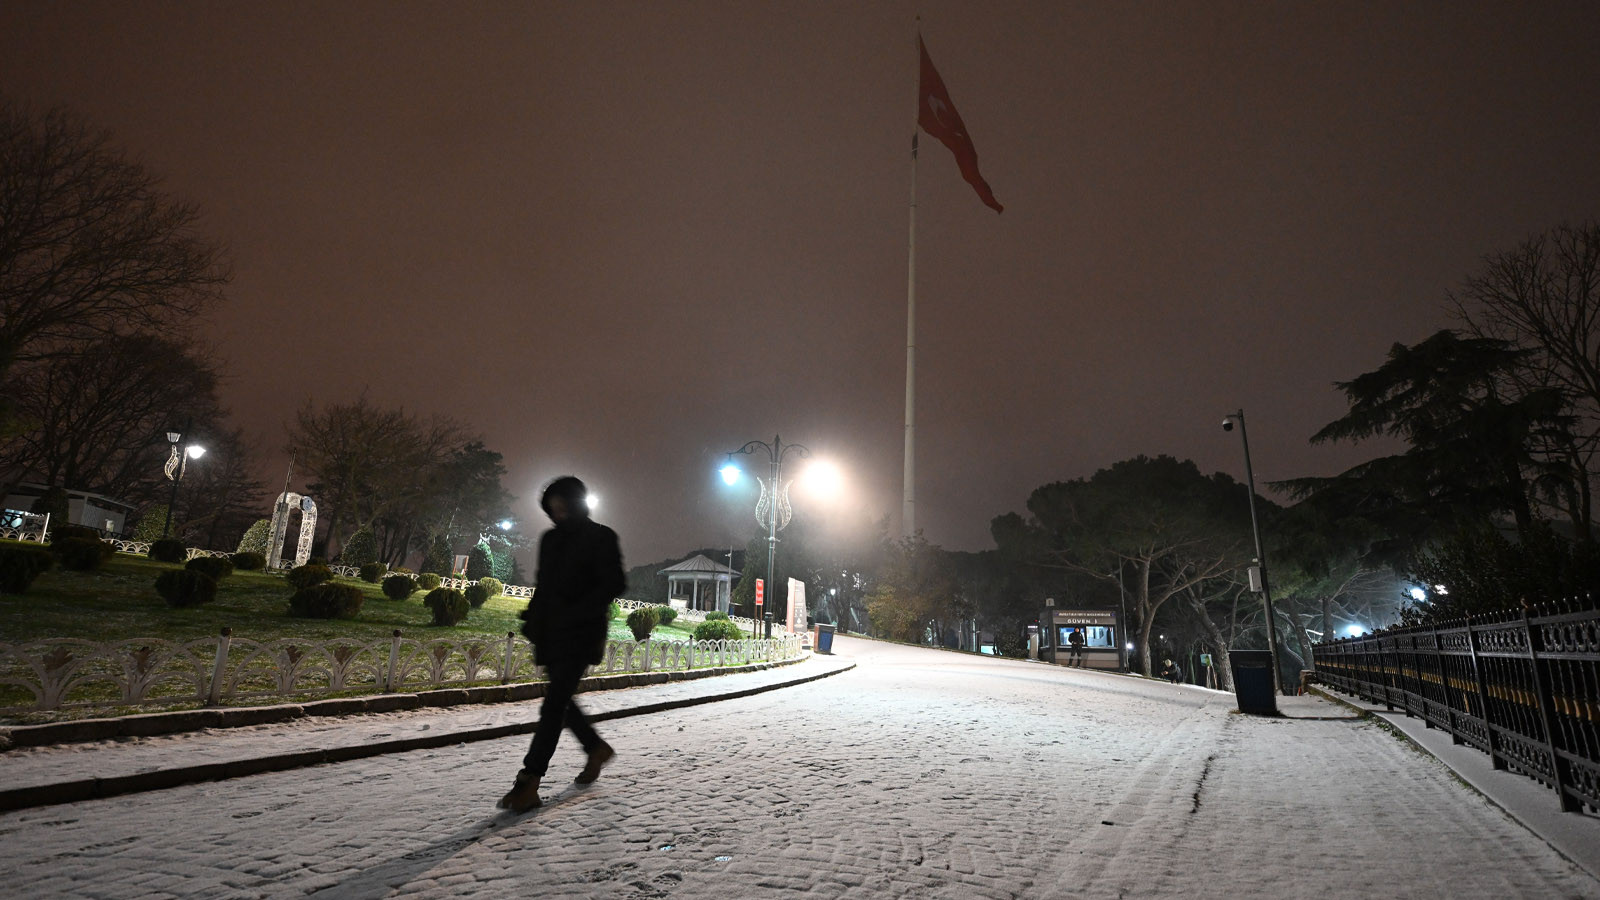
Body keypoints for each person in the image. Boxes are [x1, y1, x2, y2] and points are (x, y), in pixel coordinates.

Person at [497, 476, 626, 813]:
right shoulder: (550, 539)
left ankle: (529, 780)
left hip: (582, 632)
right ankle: (595, 748)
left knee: (553, 705)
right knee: (561, 700)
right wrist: (533, 619)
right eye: (551, 508)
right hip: (551, 632)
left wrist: (578, 608)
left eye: (562, 505)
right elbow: (544, 584)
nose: (557, 513)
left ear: (576, 502)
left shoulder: (602, 537)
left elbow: (614, 582)